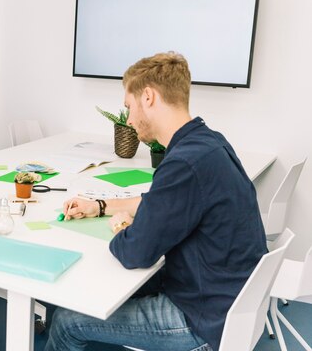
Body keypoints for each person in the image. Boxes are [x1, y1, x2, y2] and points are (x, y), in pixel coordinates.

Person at [45, 52, 267, 351]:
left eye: (128, 107)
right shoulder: (209, 142)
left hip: (201, 319)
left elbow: (135, 252)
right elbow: (160, 201)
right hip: (230, 301)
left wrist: (122, 228)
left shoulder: (184, 164)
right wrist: (99, 206)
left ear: (147, 96)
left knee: (66, 322)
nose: (129, 120)